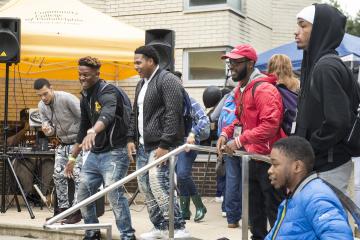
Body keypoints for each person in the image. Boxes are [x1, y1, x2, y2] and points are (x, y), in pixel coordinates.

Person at [216, 44, 285, 238]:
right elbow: (240, 120)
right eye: (231, 62)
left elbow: (270, 125)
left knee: (274, 211)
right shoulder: (241, 90)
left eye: (237, 62)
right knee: (255, 213)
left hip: (270, 160)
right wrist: (225, 134)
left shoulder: (263, 89)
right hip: (252, 158)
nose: (232, 67)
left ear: (251, 63)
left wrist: (238, 141)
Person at [68, 56, 135, 240]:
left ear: (97, 74)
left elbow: (108, 114)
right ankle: (92, 232)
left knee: (114, 194)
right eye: (80, 74)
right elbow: (83, 127)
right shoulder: (85, 95)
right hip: (95, 155)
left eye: (86, 75)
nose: (82, 78)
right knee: (83, 194)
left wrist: (94, 131)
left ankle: (127, 235)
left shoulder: (108, 91)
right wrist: (72, 158)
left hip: (115, 152)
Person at [127, 45, 190, 239]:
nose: (135, 66)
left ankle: (178, 226)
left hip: (163, 145)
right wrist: (130, 138)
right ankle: (160, 226)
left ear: (151, 61)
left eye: (139, 62)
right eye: (134, 62)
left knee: (159, 183)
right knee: (144, 185)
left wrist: (164, 144)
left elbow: (173, 113)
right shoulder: (141, 84)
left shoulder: (168, 80)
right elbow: (134, 113)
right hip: (144, 145)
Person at [295, 4, 357, 193]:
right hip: (322, 164)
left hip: (328, 166)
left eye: (303, 25)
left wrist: (308, 149)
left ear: (320, 29)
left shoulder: (326, 67)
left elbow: (337, 121)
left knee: (326, 221)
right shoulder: (318, 65)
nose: (296, 32)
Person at [266, 136, 353, 240]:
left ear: (297, 167)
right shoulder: (295, 197)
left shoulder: (316, 198)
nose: (270, 170)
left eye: (275, 164)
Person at [34, 78, 82, 223]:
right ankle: (62, 211)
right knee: (58, 176)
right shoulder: (42, 105)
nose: (43, 98)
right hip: (62, 143)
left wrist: (82, 141)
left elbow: (85, 119)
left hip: (78, 143)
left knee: (78, 176)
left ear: (52, 88)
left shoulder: (67, 99)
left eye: (45, 94)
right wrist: (47, 130)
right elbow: (50, 129)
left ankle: (77, 211)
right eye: (40, 95)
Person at [173, 71, 210, 222]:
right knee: (180, 175)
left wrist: (193, 133)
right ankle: (185, 210)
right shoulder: (170, 102)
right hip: (175, 144)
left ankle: (200, 206)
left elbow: (204, 118)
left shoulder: (190, 101)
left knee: (182, 174)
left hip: (189, 142)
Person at [9, 108, 53, 204]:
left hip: (40, 158)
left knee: (49, 162)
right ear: (21, 120)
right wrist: (25, 129)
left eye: (30, 118)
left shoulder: (41, 129)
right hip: (22, 159)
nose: (29, 121)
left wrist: (45, 130)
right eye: (26, 118)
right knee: (23, 164)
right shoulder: (16, 129)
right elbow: (10, 143)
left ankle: (42, 194)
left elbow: (50, 144)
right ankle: (29, 194)